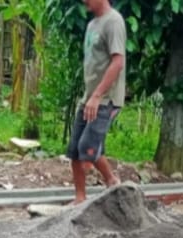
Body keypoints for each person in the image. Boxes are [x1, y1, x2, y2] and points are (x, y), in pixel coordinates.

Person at [66, 0, 127, 205]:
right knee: (75, 151)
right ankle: (80, 199)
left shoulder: (114, 22)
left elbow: (118, 62)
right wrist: (90, 96)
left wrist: (98, 95)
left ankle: (111, 180)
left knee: (87, 154)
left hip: (105, 99)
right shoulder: (92, 25)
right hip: (89, 97)